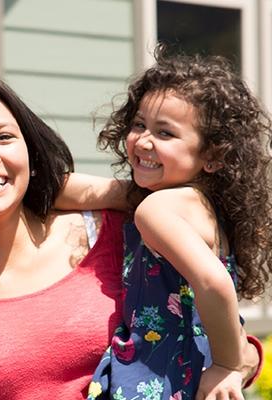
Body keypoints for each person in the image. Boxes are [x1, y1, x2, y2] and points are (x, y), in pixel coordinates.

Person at [0, 67, 263, 399]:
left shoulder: (122, 227)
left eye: (4, 137)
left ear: (29, 151)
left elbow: (209, 324)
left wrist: (236, 361)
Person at [77, 48, 272, 400]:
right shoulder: (203, 207)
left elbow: (213, 282)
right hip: (193, 370)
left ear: (212, 156)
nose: (144, 140)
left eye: (165, 133)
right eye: (139, 125)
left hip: (159, 379)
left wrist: (228, 365)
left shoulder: (156, 211)